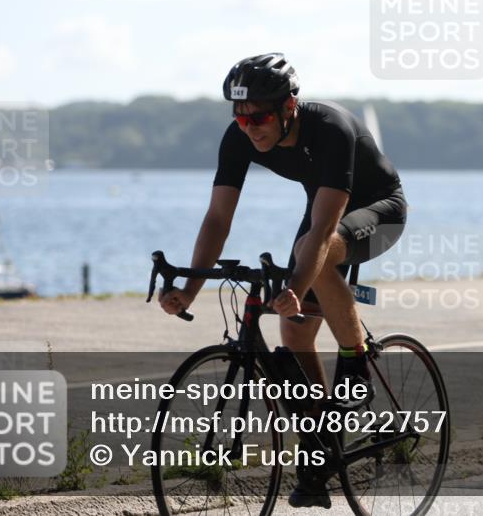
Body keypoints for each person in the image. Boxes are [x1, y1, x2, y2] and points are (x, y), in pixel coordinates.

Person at [158, 52, 406, 508]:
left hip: (379, 211)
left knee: (311, 256)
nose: (250, 127)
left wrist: (294, 286)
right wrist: (191, 287)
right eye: (240, 116)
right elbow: (217, 218)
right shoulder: (239, 138)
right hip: (322, 217)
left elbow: (327, 230)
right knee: (293, 333)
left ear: (289, 105)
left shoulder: (330, 128)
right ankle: (320, 445)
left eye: (260, 116)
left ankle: (356, 363)